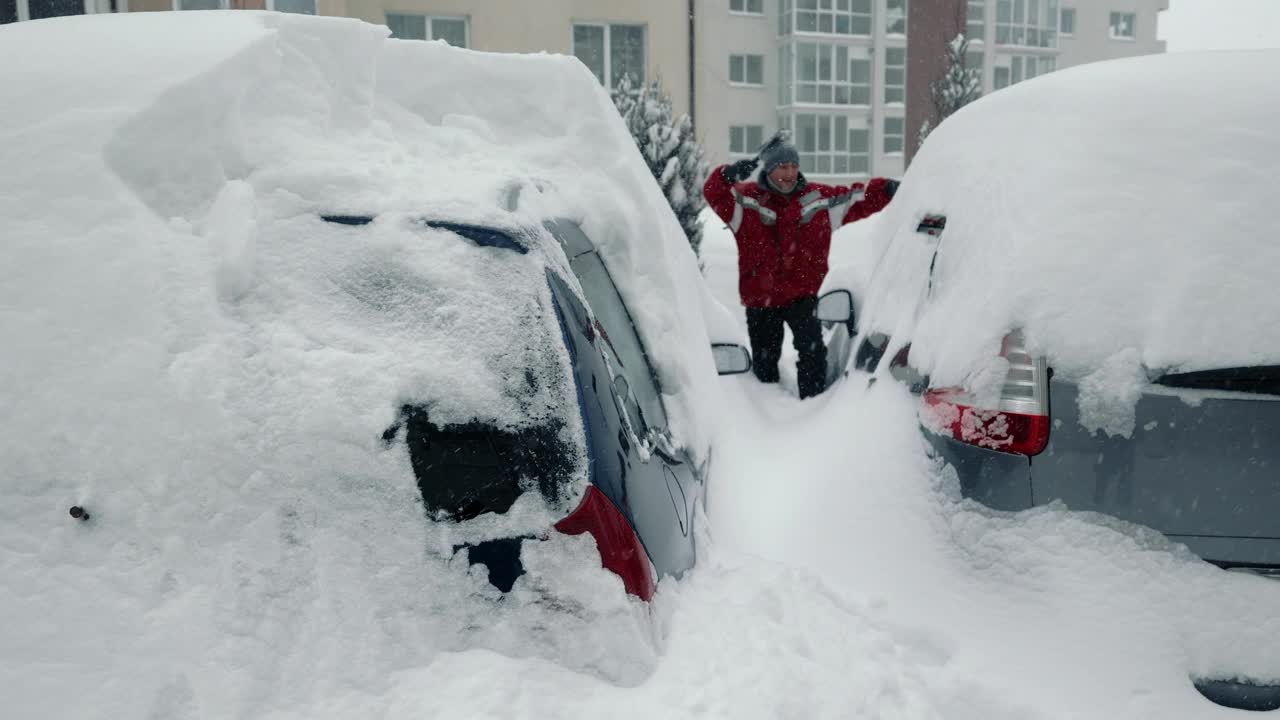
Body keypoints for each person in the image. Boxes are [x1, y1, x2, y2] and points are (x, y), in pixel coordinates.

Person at [703, 133, 898, 399]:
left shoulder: (817, 199)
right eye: (782, 166)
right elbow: (713, 192)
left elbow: (856, 198)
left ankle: (813, 406)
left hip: (803, 295)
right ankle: (768, 409)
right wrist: (729, 174)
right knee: (764, 364)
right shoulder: (745, 202)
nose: (790, 172)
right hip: (762, 300)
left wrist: (886, 189)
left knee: (813, 354)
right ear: (769, 169)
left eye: (794, 166)